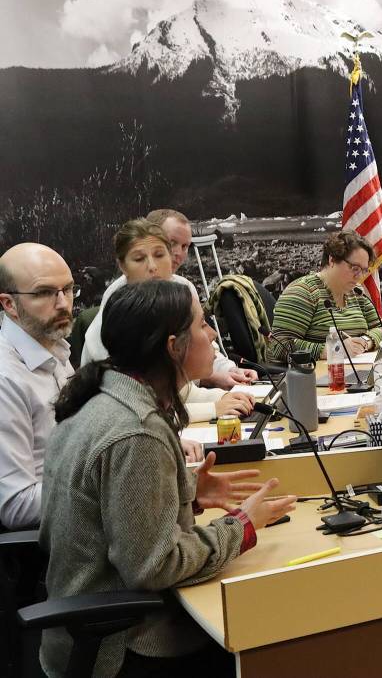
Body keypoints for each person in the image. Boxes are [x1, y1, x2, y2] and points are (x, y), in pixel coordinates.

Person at [40, 280, 296, 677]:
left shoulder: (103, 397)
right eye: (202, 325)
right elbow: (155, 566)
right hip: (124, 646)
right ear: (174, 346)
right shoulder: (137, 431)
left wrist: (187, 496)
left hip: (81, 632)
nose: (212, 335)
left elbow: (115, 514)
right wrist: (242, 526)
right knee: (275, 635)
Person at [81, 219, 254, 424]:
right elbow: (134, 413)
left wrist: (224, 392)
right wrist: (213, 407)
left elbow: (180, 390)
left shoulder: (179, 291)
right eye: (139, 259)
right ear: (122, 266)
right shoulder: (118, 316)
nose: (152, 267)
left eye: (159, 255)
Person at [0, 243, 76, 530]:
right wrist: (105, 488)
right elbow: (16, 505)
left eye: (68, 289)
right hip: (50, 545)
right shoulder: (6, 379)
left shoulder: (55, 349)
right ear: (9, 304)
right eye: (45, 293)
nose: (63, 303)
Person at [268, 230, 382, 362]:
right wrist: (334, 349)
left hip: (355, 369)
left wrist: (365, 341)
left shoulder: (356, 292)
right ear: (332, 260)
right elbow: (279, 345)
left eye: (364, 270)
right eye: (355, 268)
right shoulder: (303, 292)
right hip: (312, 373)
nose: (359, 277)